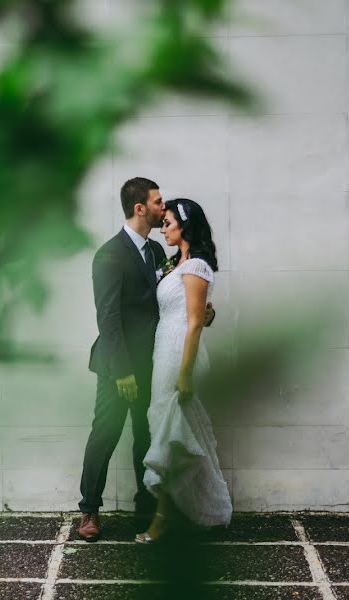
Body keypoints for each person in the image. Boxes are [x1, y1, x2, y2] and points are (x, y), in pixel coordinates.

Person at [77, 179, 214, 542]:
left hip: (154, 363)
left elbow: (173, 301)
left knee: (145, 436)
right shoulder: (108, 254)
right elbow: (107, 318)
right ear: (140, 208)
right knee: (104, 434)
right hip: (116, 365)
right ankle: (89, 509)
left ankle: (145, 507)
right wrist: (121, 370)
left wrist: (203, 312)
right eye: (157, 202)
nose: (162, 207)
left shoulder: (156, 252)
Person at [135, 198, 232, 543]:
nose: (163, 229)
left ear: (185, 226)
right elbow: (198, 311)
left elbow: (193, 323)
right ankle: (199, 512)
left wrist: (186, 374)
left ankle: (161, 524)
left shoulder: (197, 266)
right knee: (174, 434)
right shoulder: (178, 264)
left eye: (169, 223)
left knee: (173, 439)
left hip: (180, 353)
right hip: (166, 348)